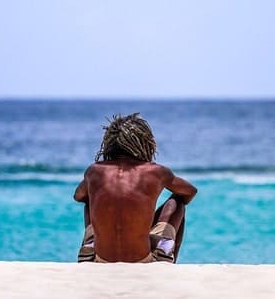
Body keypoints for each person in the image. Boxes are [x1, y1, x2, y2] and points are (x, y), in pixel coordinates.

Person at [73, 113, 197, 263]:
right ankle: (164, 253)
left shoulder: (94, 171)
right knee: (177, 201)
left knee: (89, 201)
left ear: (110, 144)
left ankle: (90, 245)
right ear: (144, 143)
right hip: (142, 259)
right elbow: (190, 191)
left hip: (101, 258)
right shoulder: (156, 172)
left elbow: (78, 196)